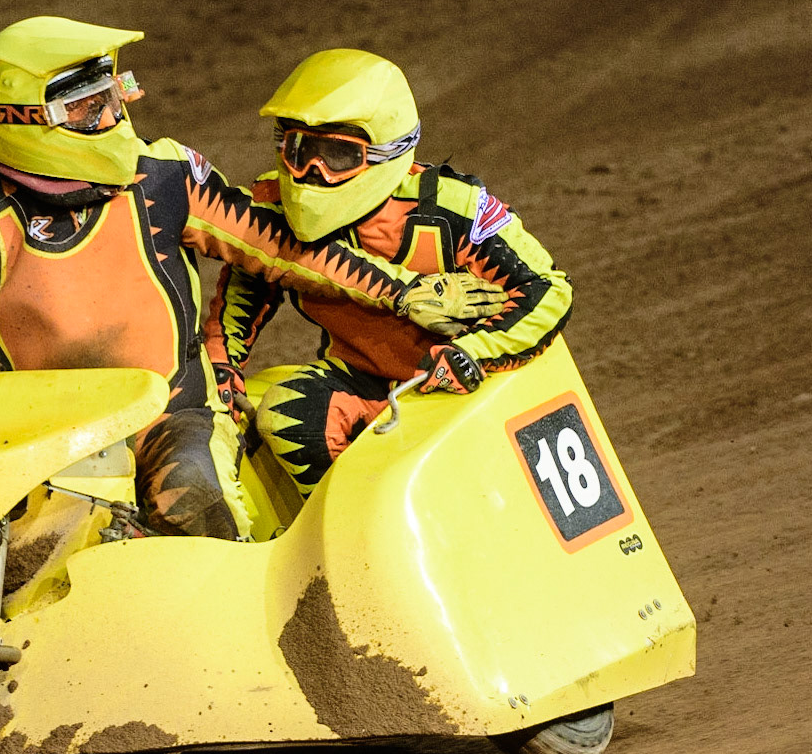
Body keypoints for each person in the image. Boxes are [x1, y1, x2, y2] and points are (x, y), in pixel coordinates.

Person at [0, 18, 500, 540]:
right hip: (50, 433)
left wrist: (402, 290)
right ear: (25, 124)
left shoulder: (163, 176)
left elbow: (278, 247)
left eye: (112, 96)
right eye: (88, 107)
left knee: (198, 503)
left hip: (174, 410)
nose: (114, 117)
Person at [203, 48, 573, 498]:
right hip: (360, 379)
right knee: (286, 415)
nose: (311, 173)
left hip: (469, 383)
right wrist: (220, 373)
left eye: (336, 156)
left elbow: (548, 288)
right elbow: (237, 304)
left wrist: (475, 352)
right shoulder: (272, 212)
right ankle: (347, 539)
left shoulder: (450, 207)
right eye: (299, 150)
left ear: (387, 151)